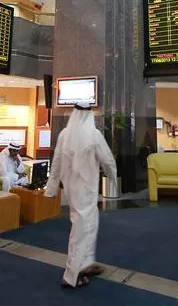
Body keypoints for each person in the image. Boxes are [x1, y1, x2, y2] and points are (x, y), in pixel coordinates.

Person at [44, 102, 117, 289]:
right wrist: (113, 178)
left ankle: (85, 264)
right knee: (81, 231)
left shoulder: (64, 135)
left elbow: (56, 163)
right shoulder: (94, 135)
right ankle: (71, 276)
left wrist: (51, 188)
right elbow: (107, 160)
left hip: (72, 190)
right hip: (86, 191)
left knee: (89, 225)